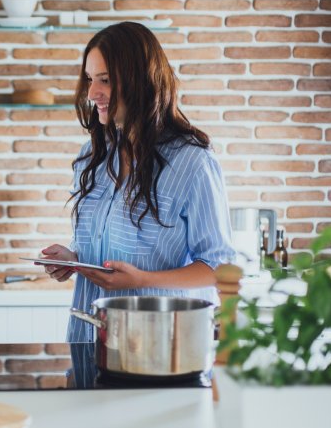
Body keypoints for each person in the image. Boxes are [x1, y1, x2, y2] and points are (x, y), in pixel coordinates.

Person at [41, 22, 235, 343]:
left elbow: (219, 267)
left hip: (157, 348)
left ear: (139, 81)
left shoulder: (192, 162)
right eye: (90, 80)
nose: (92, 93)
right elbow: (108, 248)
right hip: (88, 337)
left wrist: (142, 280)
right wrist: (75, 260)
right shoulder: (93, 155)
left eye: (105, 80)